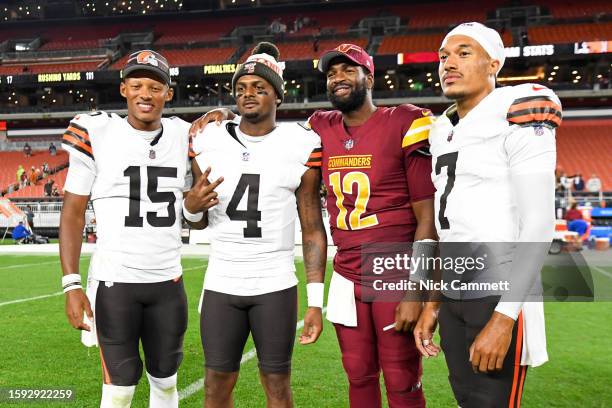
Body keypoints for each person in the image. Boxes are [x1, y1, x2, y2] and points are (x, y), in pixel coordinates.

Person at [191, 43, 437, 408]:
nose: (338, 77)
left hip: (393, 269)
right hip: (348, 273)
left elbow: (428, 219)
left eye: (348, 70)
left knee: (402, 379)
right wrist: (224, 112)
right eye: (332, 73)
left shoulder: (406, 120)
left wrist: (418, 289)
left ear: (369, 77)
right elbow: (262, 125)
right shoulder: (318, 128)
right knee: (358, 373)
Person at [415, 22, 561, 407]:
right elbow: (452, 226)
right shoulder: (441, 127)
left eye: (464, 53)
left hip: (498, 289)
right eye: (444, 56)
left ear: (494, 63)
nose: (449, 63)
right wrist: (433, 301)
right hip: (452, 289)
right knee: (467, 401)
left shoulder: (516, 108)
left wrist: (504, 317)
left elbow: (540, 224)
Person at [185, 42, 327, 408]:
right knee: (216, 383)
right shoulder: (209, 138)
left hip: (275, 282)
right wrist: (190, 207)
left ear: (278, 96)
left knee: (278, 385)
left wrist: (316, 302)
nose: (248, 95)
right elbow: (198, 221)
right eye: (241, 89)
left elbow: (311, 226)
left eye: (260, 88)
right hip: (222, 280)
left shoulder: (302, 143)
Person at [59, 50, 192, 408]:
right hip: (115, 285)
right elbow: (73, 212)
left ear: (168, 93)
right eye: (136, 85)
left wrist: (221, 115)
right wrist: (71, 284)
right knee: (119, 392)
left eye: (154, 86)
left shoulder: (186, 135)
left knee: (166, 384)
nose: (145, 94)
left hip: (168, 283)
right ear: (123, 89)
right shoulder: (98, 132)